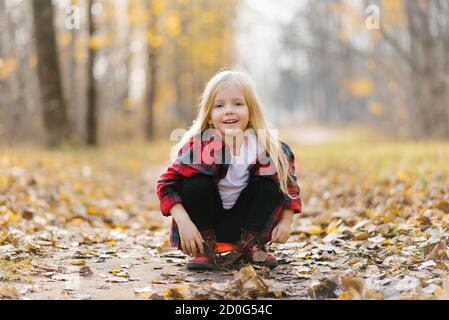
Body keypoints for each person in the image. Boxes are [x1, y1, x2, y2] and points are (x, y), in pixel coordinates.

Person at [156, 69, 301, 270]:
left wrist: (287, 222)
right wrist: (183, 222)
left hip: (246, 224)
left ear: (251, 111)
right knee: (195, 182)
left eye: (238, 104)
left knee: (272, 180)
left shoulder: (267, 148)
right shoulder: (201, 146)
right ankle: (204, 248)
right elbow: (166, 185)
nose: (229, 110)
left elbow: (289, 187)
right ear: (209, 116)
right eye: (219, 105)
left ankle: (251, 244)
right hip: (204, 223)